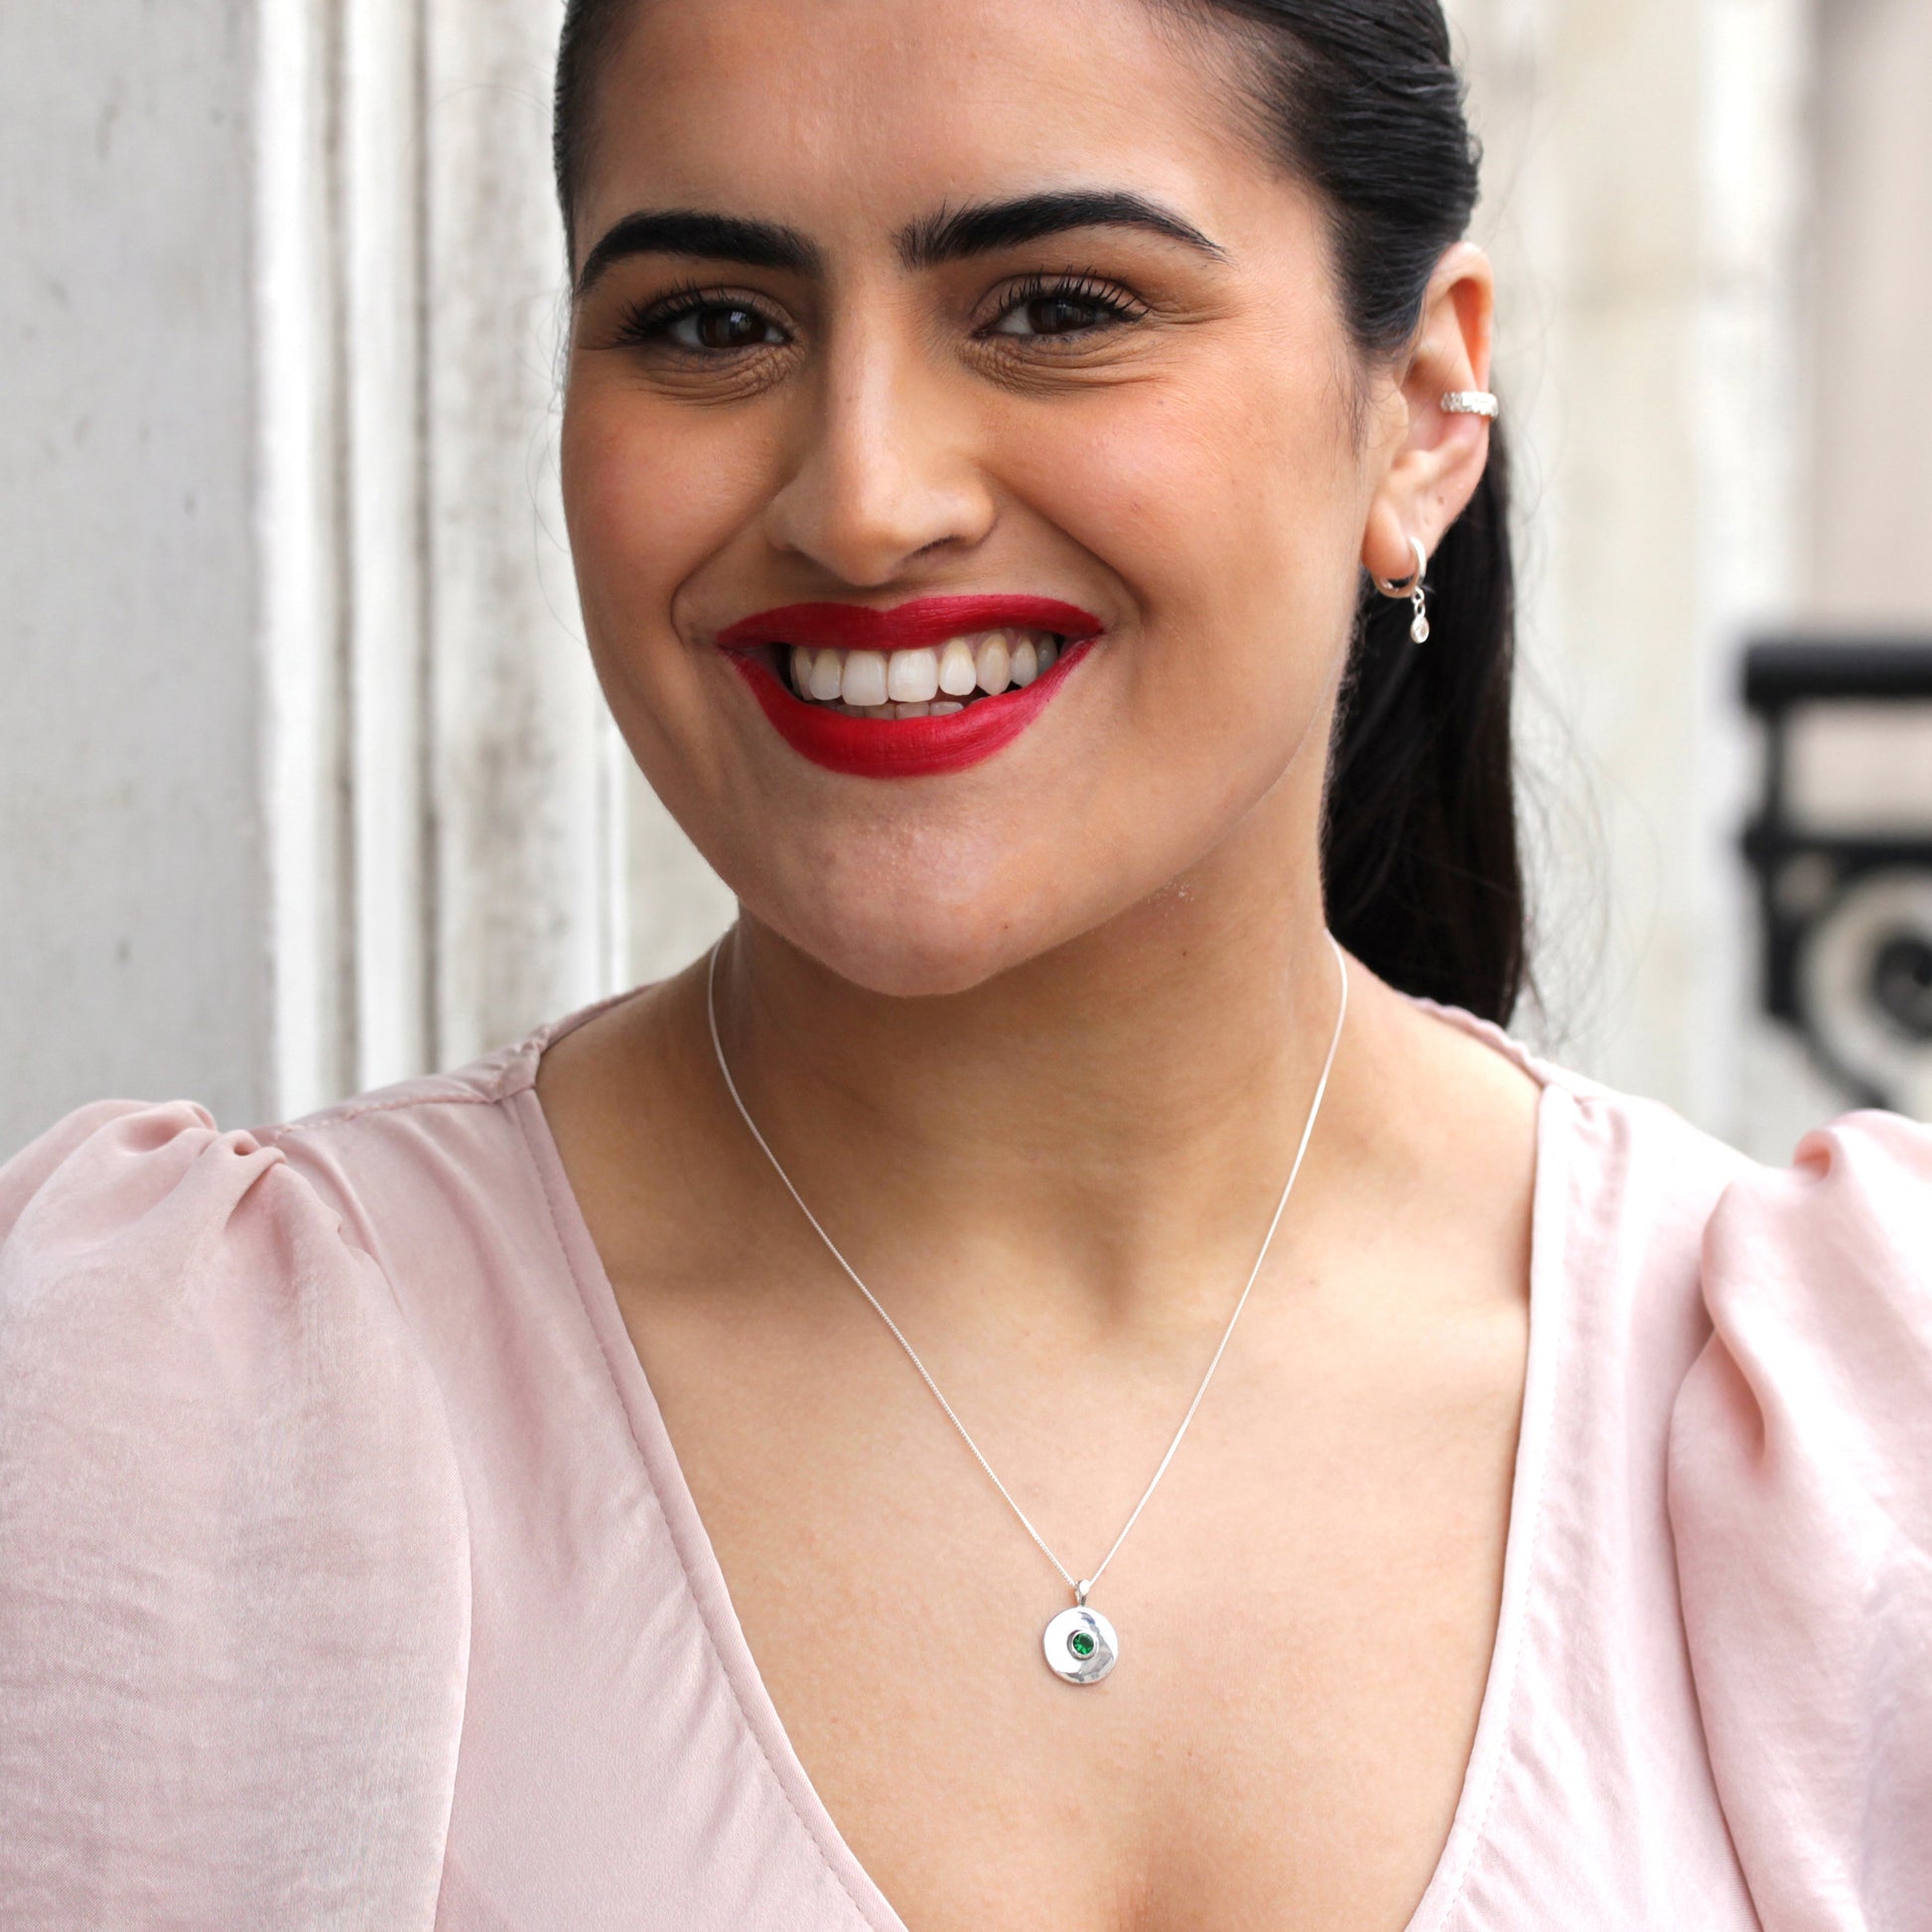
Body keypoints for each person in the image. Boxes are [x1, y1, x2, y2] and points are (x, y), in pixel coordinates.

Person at [2, 1, 1927, 1926]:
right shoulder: (170, 1430)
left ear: (1423, 408)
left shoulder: (1857, 1435)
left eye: (1056, 307)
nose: (860, 499)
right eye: (712, 322)